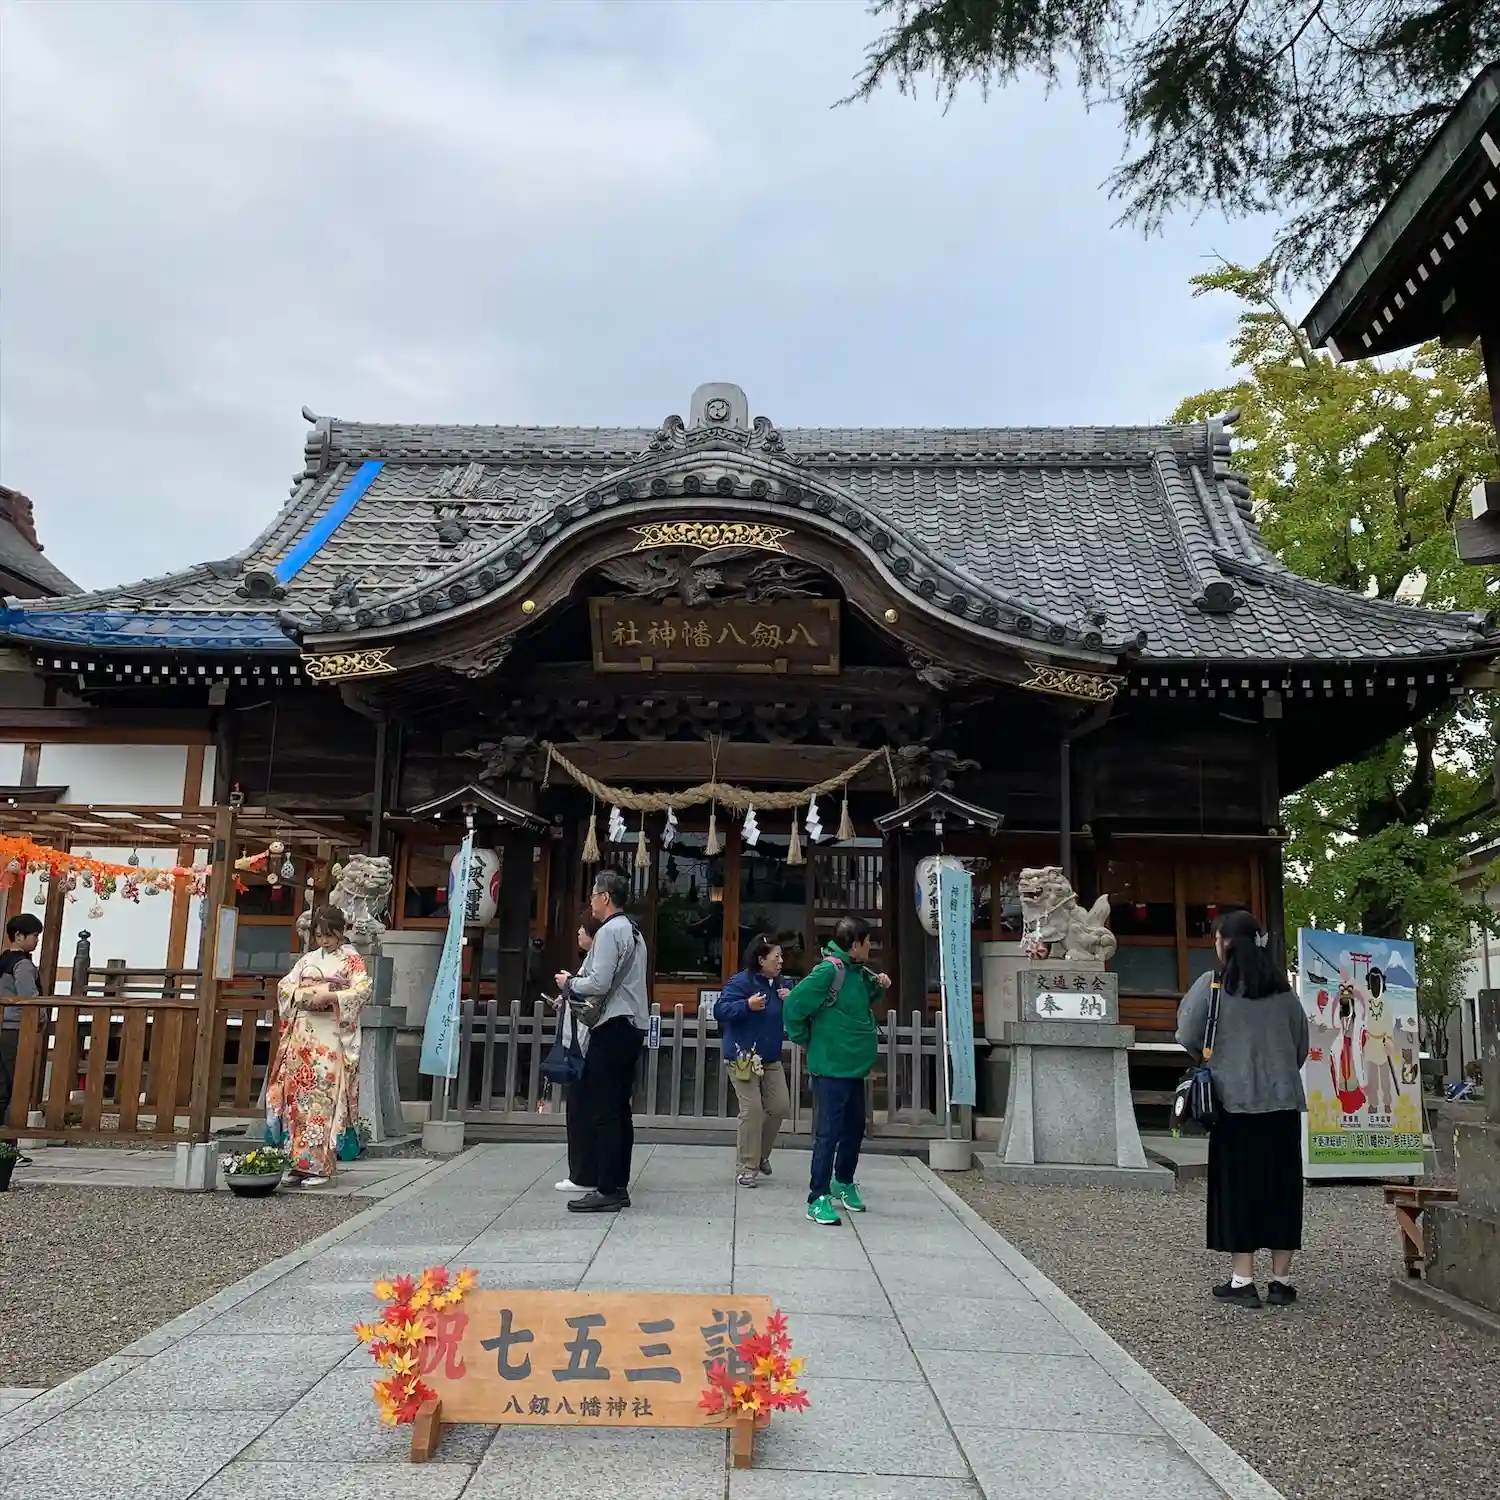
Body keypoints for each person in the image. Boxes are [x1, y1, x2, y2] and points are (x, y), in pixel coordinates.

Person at [1177, 908, 1309, 1308]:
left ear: (1225, 943)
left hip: (1232, 1103)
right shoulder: (1284, 992)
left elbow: (1187, 1033)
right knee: (1282, 1189)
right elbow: (1300, 1047)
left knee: (1238, 1189)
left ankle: (1242, 1280)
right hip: (1282, 1103)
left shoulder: (1213, 985)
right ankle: (1281, 1282)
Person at [783, 915, 891, 1225]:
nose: (870, 947)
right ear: (854, 945)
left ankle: (842, 1181)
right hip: (831, 1066)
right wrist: (805, 1040)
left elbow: (860, 1001)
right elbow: (794, 1006)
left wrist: (879, 986)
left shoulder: (857, 971)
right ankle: (817, 1197)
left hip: (854, 1066)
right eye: (867, 942)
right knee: (828, 1133)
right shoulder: (829, 971)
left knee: (855, 1128)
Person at [555, 868, 648, 1213]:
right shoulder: (635, 932)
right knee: (621, 1110)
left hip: (611, 1027)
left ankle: (607, 1188)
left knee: (604, 1110)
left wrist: (569, 983)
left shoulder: (609, 931)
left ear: (605, 897)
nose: (591, 901)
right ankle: (619, 1185)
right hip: (633, 1025)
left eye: (594, 895)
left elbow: (598, 982)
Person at [267, 904, 373, 1186]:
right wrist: (302, 994)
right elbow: (284, 987)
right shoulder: (307, 960)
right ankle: (298, 1165)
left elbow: (362, 990)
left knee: (322, 1100)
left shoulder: (352, 960)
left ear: (341, 932)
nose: (324, 941)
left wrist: (331, 997)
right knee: (296, 1100)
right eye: (319, 935)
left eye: (329, 935)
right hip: (303, 1036)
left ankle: (321, 1167)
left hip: (330, 1036)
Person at [716, 934, 793, 1187]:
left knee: (780, 1106)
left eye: (781, 956)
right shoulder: (740, 982)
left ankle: (760, 1156)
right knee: (752, 1109)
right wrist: (746, 1005)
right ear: (761, 960)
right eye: (776, 957)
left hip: (770, 1056)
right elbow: (720, 1010)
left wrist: (792, 1000)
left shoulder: (782, 984)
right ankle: (747, 1167)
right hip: (742, 1056)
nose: (781, 961)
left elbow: (798, 1012)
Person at [553, 912, 601, 1194]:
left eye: (582, 928)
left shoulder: (597, 962)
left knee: (580, 1111)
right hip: (584, 1043)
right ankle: (584, 1171)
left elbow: (593, 997)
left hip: (585, 1045)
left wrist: (569, 983)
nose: (578, 933)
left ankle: (583, 1174)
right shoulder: (594, 960)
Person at [0, 913, 43, 1162]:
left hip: (2, 1026)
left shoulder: (3, 960)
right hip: (16, 1029)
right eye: (34, 935)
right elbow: (30, 998)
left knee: (2, 1088)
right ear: (19, 936)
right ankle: (8, 1147)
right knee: (15, 1088)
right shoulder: (23, 965)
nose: (36, 940)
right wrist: (42, 1019)